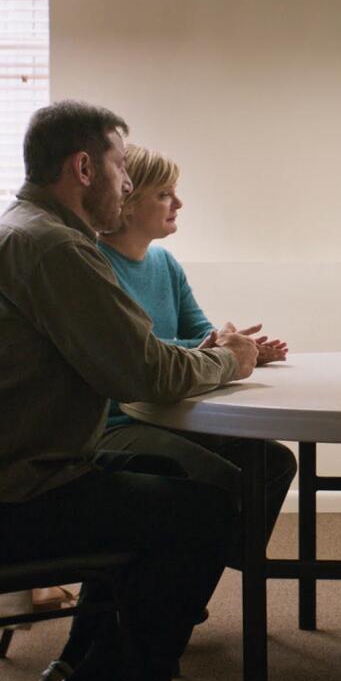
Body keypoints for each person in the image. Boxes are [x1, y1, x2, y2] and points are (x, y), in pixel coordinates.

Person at [0, 100, 257, 681]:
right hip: (0, 497)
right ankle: (113, 676)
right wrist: (229, 359)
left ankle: (90, 656)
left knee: (180, 480)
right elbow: (144, 374)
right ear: (83, 168)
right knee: (204, 510)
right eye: (122, 166)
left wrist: (207, 356)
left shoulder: (15, 231)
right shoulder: (54, 247)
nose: (127, 183)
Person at [96, 144, 296, 548]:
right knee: (215, 479)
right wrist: (219, 348)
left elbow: (202, 335)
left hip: (171, 411)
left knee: (274, 463)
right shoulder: (94, 265)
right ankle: (182, 572)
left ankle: (211, 561)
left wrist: (245, 350)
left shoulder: (165, 264)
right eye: (165, 194)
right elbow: (145, 352)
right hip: (117, 422)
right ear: (129, 202)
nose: (179, 203)